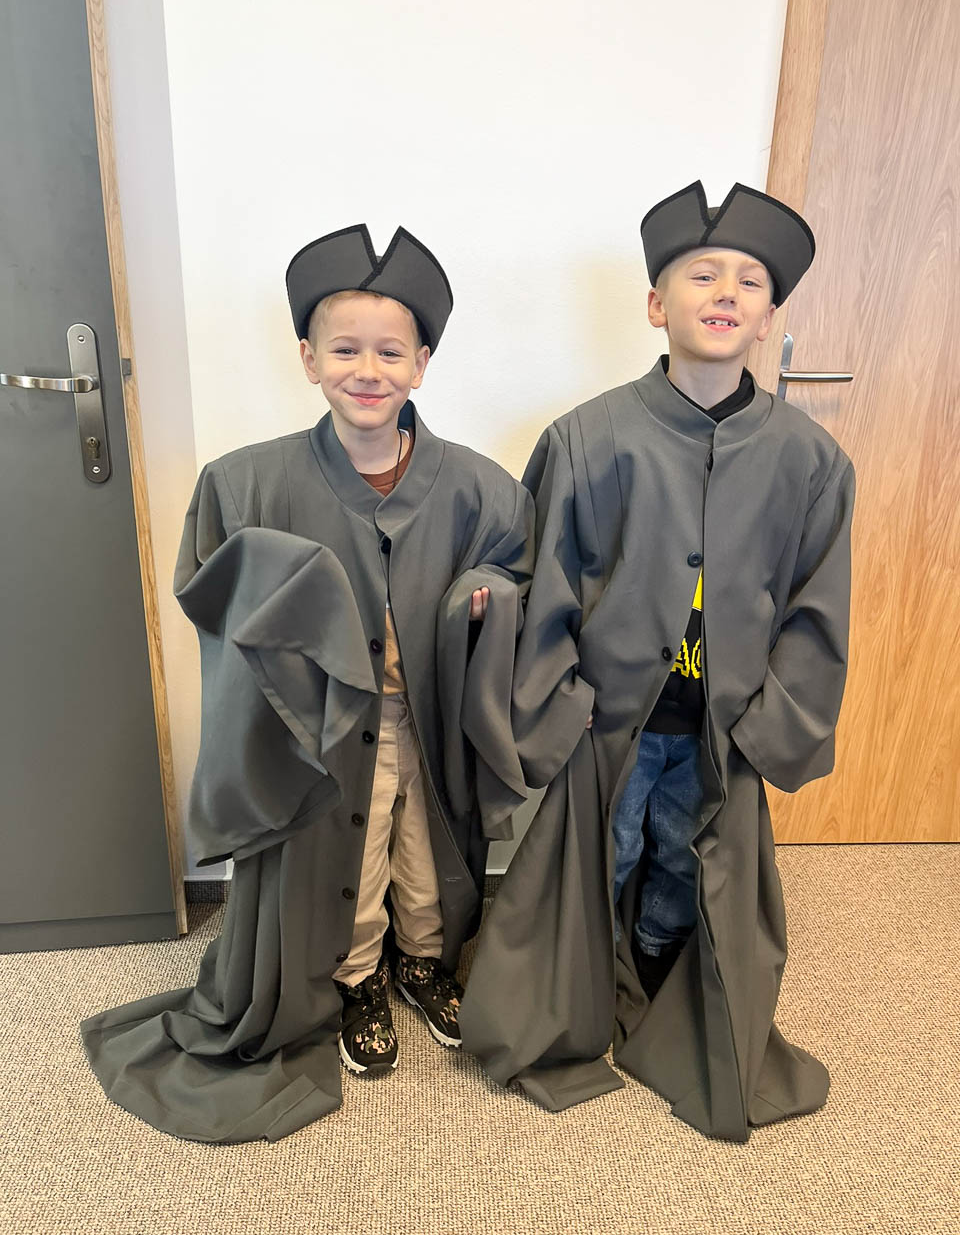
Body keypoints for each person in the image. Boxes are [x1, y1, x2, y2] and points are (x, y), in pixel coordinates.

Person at [82, 224, 532, 1143]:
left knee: (425, 844)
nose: (367, 370)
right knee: (350, 857)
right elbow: (212, 587)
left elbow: (514, 568)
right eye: (345, 349)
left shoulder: (480, 489)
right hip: (322, 732)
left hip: (426, 715)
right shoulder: (247, 483)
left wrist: (484, 597)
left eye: (391, 352)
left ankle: (424, 961)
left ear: (422, 365)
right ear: (307, 358)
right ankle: (358, 977)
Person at [460, 181, 855, 1142]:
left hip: (724, 723)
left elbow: (818, 610)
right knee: (610, 848)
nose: (725, 292)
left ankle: (661, 977)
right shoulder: (587, 438)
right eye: (701, 274)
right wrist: (561, 705)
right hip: (614, 718)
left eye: (749, 281)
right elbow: (545, 576)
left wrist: (771, 726)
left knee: (686, 857)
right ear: (655, 304)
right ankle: (587, 990)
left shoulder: (811, 462)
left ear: (769, 317)